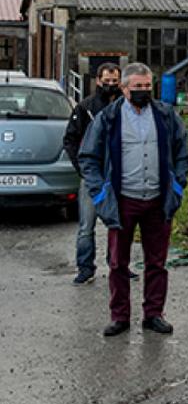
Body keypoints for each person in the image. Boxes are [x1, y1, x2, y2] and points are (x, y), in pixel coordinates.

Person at [78, 62, 188, 337]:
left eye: (147, 86)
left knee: (157, 262)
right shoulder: (109, 118)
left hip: (157, 201)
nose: (143, 91)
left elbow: (182, 153)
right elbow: (88, 157)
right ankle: (120, 316)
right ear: (124, 88)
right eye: (137, 87)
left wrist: (177, 187)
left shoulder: (165, 115)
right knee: (118, 264)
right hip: (123, 201)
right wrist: (101, 194)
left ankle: (154, 314)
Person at [63, 63, 134, 285]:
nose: (111, 85)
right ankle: (85, 268)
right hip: (92, 177)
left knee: (120, 224)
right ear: (98, 81)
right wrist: (83, 169)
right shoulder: (85, 108)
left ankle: (119, 265)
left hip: (121, 175)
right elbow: (70, 140)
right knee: (87, 226)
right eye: (107, 81)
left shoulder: (129, 107)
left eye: (115, 81)